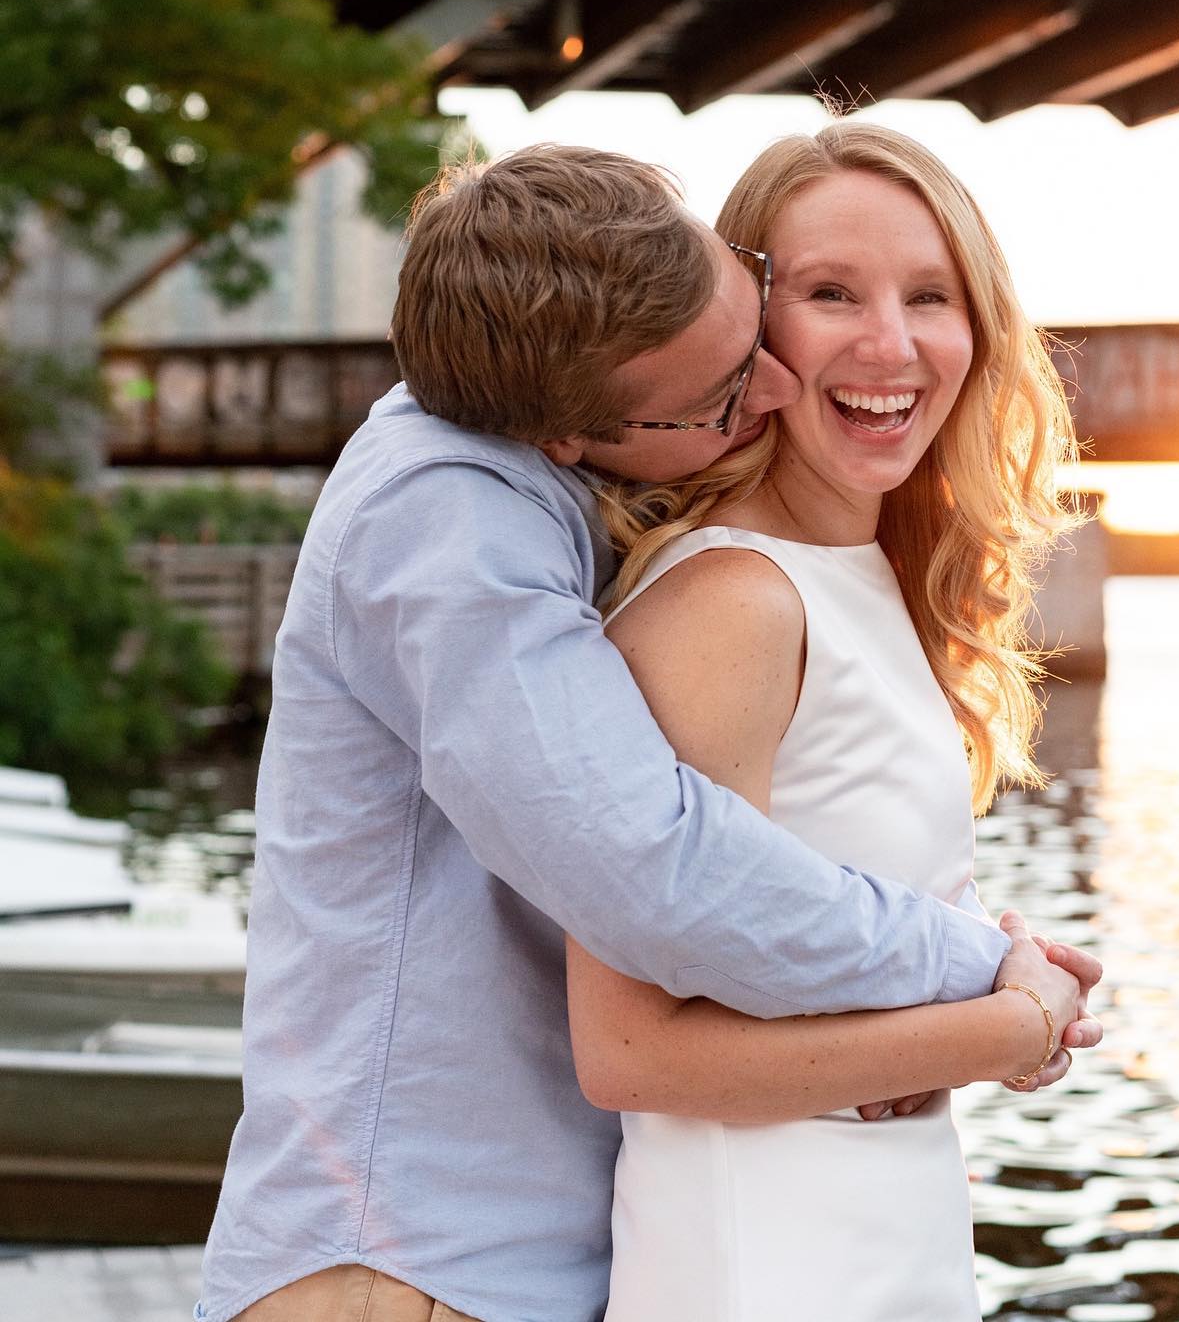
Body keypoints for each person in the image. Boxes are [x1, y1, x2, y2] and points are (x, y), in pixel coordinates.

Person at [197, 144, 1100, 1322]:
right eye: (731, 385)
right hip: (405, 1268)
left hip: (544, 1252)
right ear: (576, 428)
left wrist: (978, 974)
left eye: (933, 293)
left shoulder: (604, 503)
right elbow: (653, 872)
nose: (769, 387)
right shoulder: (455, 525)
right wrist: (995, 999)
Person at [567, 122, 1085, 1321]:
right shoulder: (735, 602)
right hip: (765, 1263)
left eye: (931, 296)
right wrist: (1004, 1027)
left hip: (875, 1246)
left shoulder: (859, 577)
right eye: (829, 293)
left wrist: (981, 968)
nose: (891, 344)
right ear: (747, 329)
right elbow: (634, 1051)